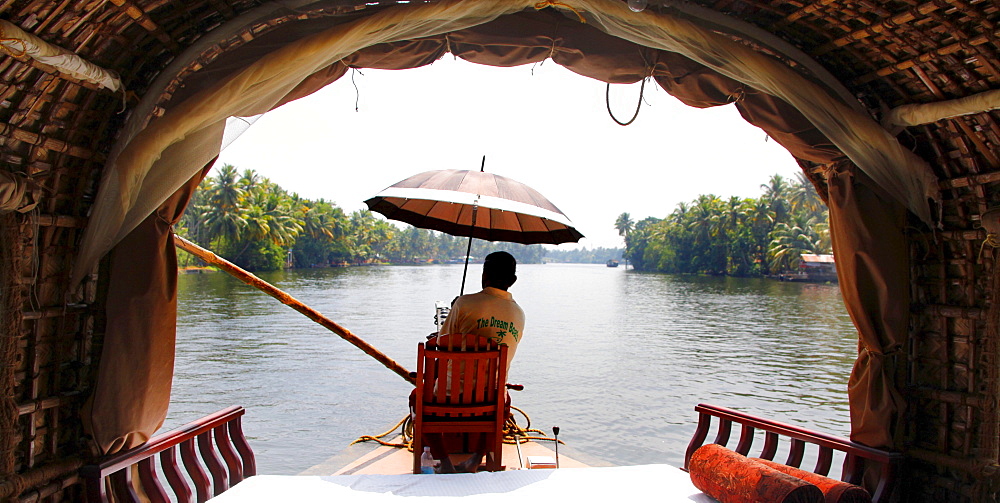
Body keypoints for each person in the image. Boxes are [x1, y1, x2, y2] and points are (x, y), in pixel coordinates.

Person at [412, 251, 525, 473]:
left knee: (416, 397)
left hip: (446, 398)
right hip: (490, 400)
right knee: (504, 399)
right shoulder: (519, 313)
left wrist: (457, 307)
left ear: (484, 276)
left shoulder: (464, 304)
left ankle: (444, 462)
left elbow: (440, 344)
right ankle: (475, 460)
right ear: (513, 281)